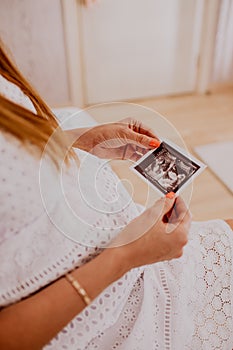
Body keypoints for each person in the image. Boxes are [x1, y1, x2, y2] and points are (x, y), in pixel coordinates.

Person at [0, 41, 233, 350]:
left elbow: (18, 151)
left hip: (135, 257)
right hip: (109, 309)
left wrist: (79, 141)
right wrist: (127, 255)